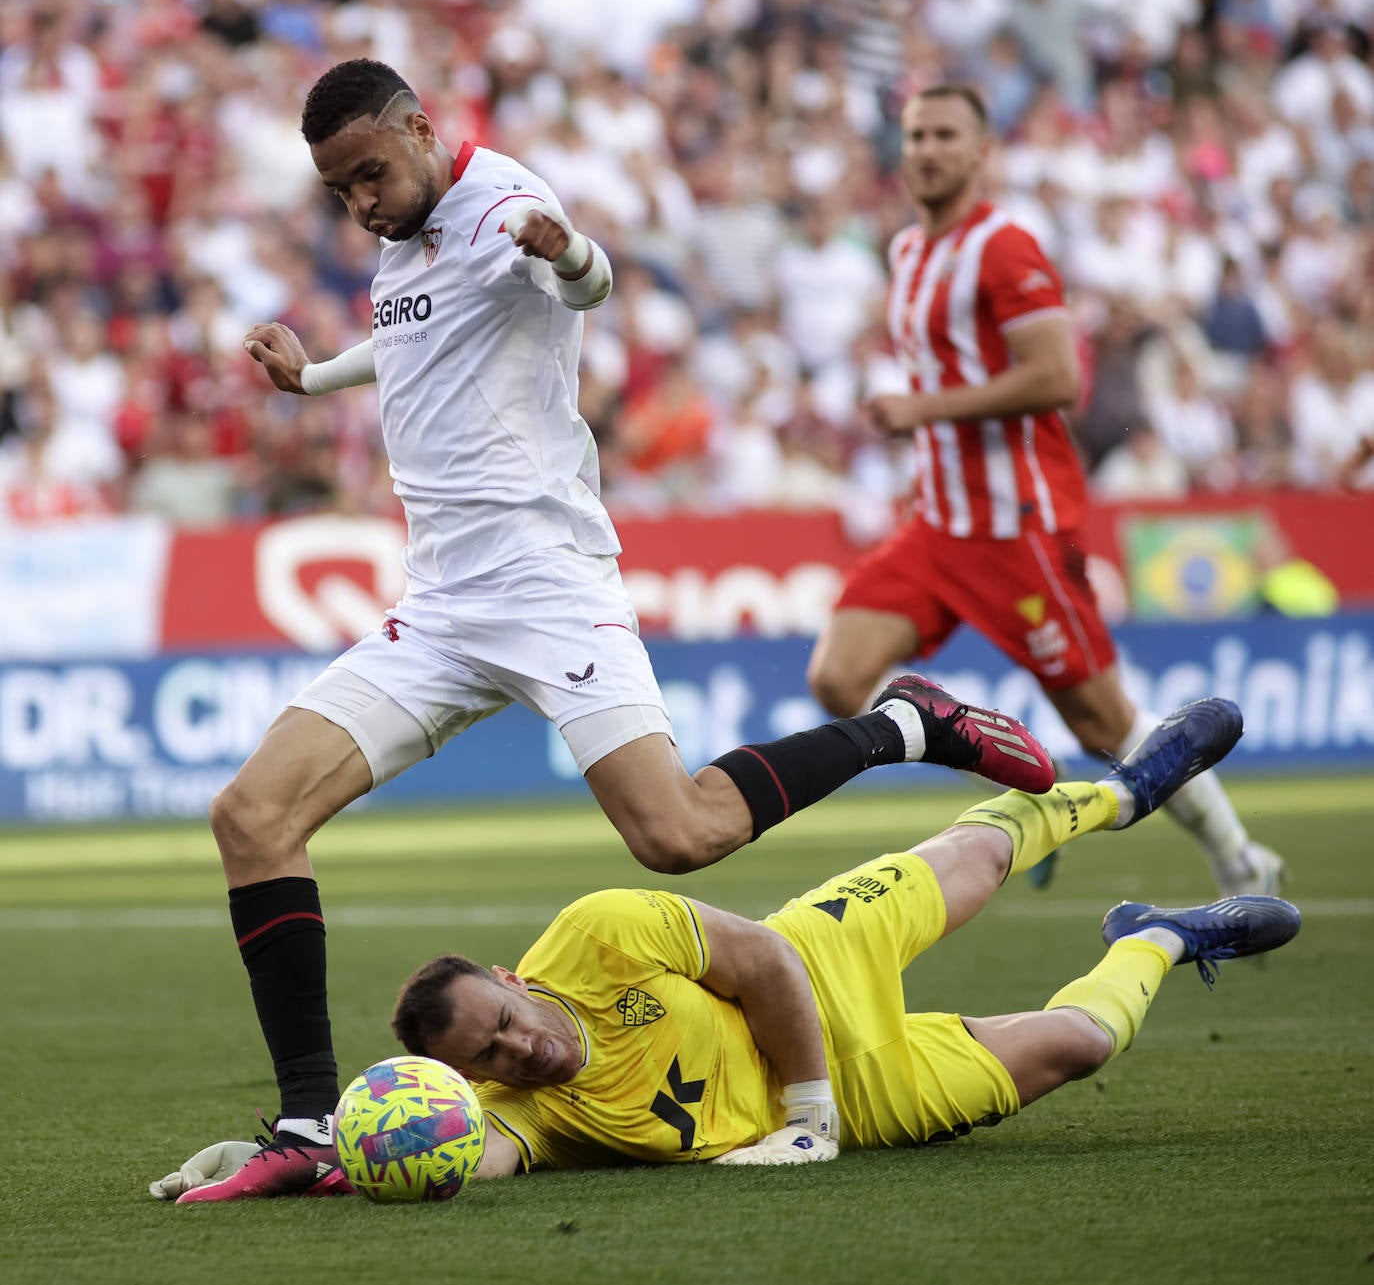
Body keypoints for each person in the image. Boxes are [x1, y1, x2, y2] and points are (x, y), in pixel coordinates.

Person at [194, 59, 1058, 1201]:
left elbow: (585, 280)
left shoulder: (504, 206)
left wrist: (570, 256)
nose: (359, 203)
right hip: (445, 604)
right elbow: (410, 341)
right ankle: (309, 1117)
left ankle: (903, 721)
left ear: (421, 127)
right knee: (252, 814)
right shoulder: (404, 245)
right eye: (339, 189)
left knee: (680, 833)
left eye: (369, 173)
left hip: (550, 584)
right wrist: (312, 382)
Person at [156, 698, 1300, 1199]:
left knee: (975, 857)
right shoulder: (514, 1114)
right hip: (868, 1092)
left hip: (808, 972)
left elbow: (760, 961)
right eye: (495, 1057)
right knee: (1079, 1043)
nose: (523, 1049)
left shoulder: (593, 937)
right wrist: (317, 1159)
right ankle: (1154, 936)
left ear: (512, 980)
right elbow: (441, 1151)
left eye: (506, 1018)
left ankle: (1125, 791)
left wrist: (806, 1122)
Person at [805, 84, 1285, 901]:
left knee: (1103, 720)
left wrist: (921, 410)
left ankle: (1241, 857)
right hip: (937, 526)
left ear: (981, 150)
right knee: (837, 678)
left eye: (945, 135)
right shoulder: (907, 251)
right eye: (916, 134)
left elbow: (1057, 376)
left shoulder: (1005, 247)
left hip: (1017, 529)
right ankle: (1017, 782)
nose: (924, 149)